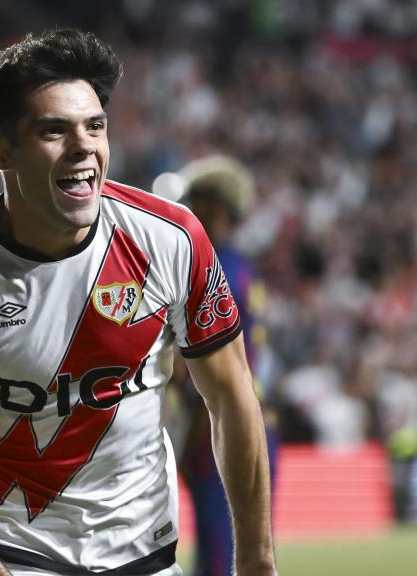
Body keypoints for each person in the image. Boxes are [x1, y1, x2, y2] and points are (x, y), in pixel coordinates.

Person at [0, 29, 277, 574]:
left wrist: (257, 561)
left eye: (95, 126)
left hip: (148, 553)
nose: (84, 147)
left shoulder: (171, 239)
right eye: (54, 130)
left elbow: (232, 394)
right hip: (19, 554)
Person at [163, 156, 279, 576]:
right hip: (253, 418)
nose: (186, 208)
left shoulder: (214, 270)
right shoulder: (241, 265)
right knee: (237, 551)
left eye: (195, 200)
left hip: (223, 425)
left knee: (219, 558)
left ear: (216, 207)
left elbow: (191, 370)